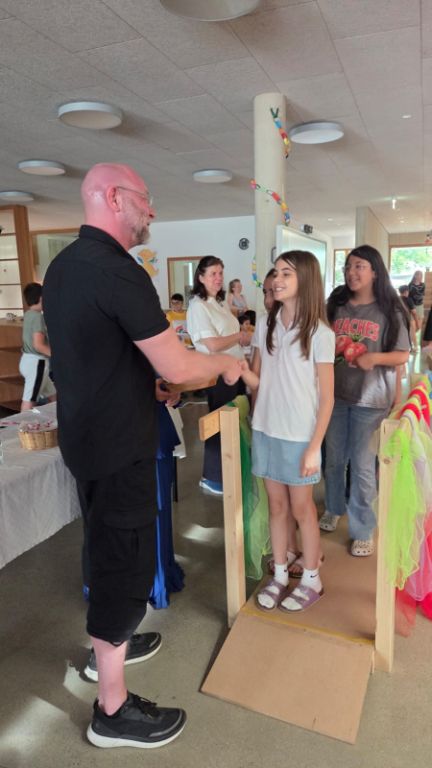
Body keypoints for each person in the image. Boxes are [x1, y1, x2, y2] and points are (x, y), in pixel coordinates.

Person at [42, 163, 242, 750]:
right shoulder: (119, 271)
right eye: (145, 199)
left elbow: (92, 355)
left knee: (104, 546)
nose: (151, 210)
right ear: (113, 197)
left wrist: (143, 383)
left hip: (86, 440)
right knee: (125, 565)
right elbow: (179, 365)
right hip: (119, 445)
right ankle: (112, 710)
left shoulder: (63, 267)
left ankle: (108, 649)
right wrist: (227, 364)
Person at [241, 250, 335, 612]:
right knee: (276, 506)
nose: (277, 280)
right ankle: (280, 574)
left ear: (305, 280)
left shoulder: (320, 333)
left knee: (302, 509)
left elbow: (327, 398)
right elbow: (258, 382)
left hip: (299, 436)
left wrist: (314, 447)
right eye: (276, 273)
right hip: (266, 428)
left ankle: (312, 578)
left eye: (286, 274)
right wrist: (236, 371)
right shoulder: (266, 324)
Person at [320, 245, 410, 556]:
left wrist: (375, 358)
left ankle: (362, 529)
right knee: (334, 459)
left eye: (359, 266)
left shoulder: (390, 310)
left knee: (361, 466)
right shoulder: (337, 304)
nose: (351, 272)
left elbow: (402, 354)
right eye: (348, 266)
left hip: (371, 401)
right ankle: (333, 507)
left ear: (374, 271)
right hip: (336, 396)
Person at [186, 257, 251, 494]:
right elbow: (212, 344)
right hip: (217, 373)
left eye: (221, 273)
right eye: (213, 273)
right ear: (201, 277)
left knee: (234, 422)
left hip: (234, 369)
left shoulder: (219, 302)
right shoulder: (198, 306)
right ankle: (212, 477)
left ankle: (231, 472)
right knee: (219, 424)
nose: (218, 278)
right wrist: (239, 337)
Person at [19, 282, 56, 411]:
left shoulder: (28, 314)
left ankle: (59, 419)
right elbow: (38, 345)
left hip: (27, 360)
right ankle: (22, 423)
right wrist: (58, 356)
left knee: (53, 395)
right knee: (29, 400)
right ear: (41, 298)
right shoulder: (38, 317)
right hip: (36, 363)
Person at [398, 285, 418, 351]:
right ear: (406, 291)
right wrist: (417, 322)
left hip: (398, 319)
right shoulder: (409, 300)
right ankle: (415, 347)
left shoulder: (396, 299)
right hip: (408, 319)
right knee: (412, 332)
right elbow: (414, 312)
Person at [408, 269, 425, 334]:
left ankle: (413, 336)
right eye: (418, 275)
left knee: (419, 327)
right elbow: (409, 297)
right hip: (413, 306)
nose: (419, 276)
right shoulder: (411, 285)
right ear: (415, 276)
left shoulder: (423, 285)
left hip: (420, 305)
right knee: (413, 324)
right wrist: (412, 306)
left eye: (421, 275)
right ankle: (412, 337)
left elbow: (422, 294)